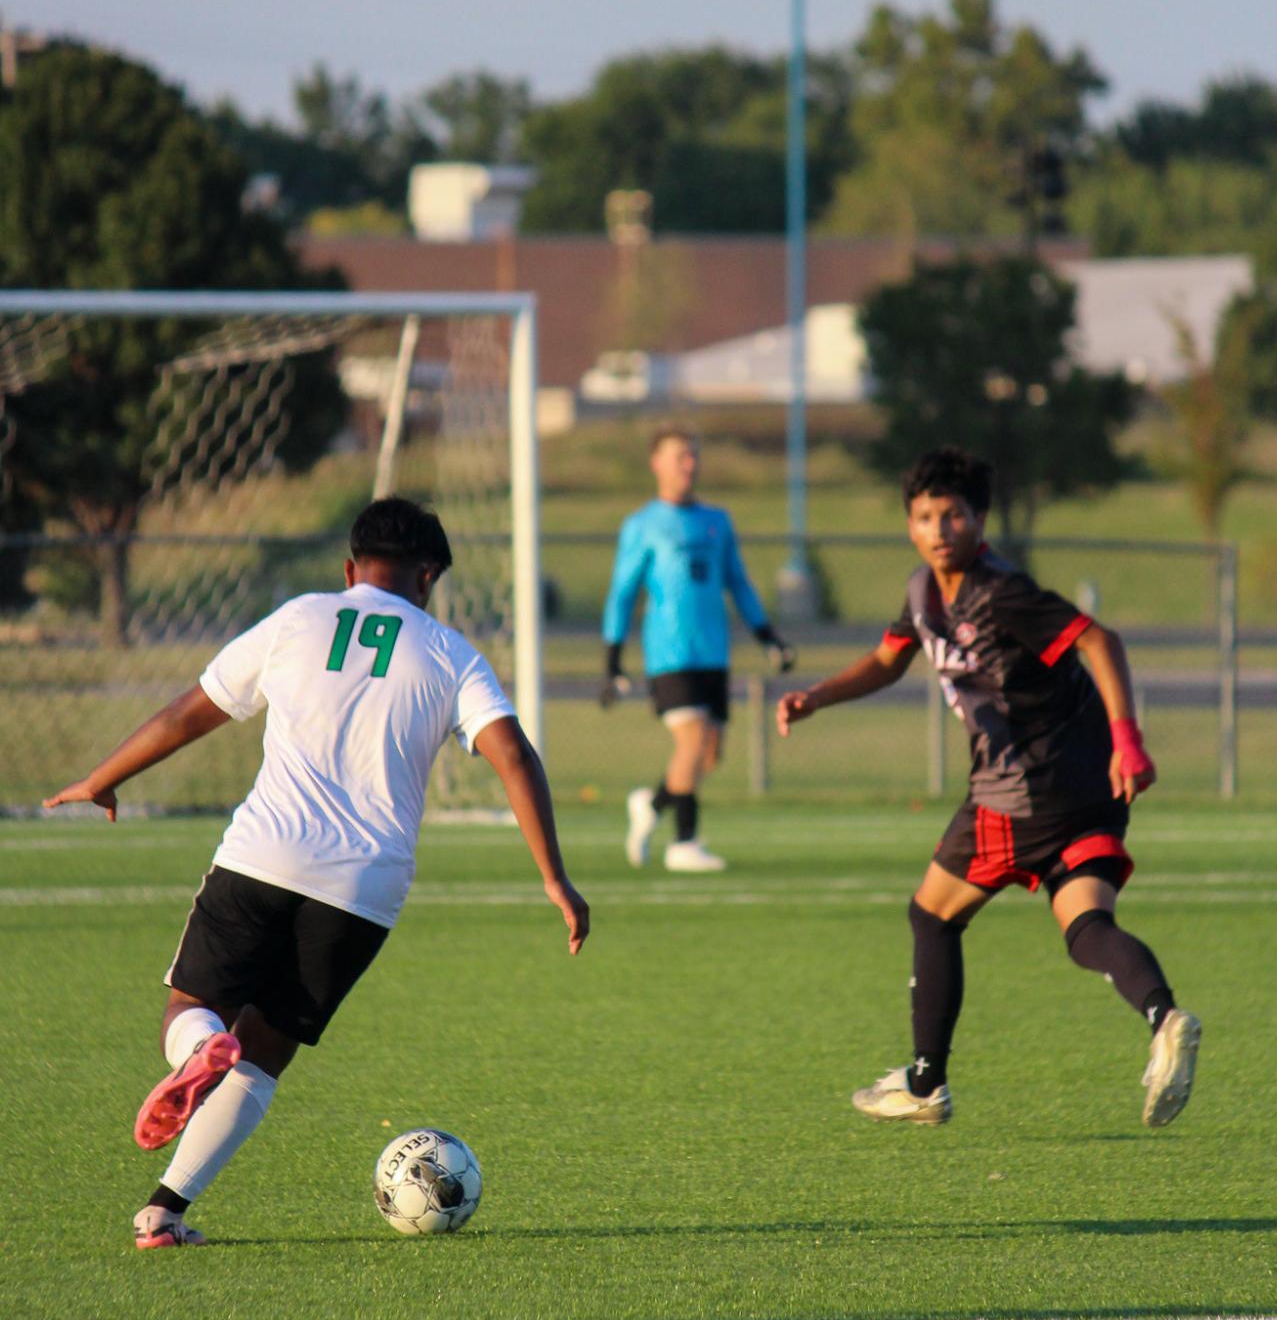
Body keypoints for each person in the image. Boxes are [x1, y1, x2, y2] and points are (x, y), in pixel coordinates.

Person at [44, 497, 589, 1248]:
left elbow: (187, 712)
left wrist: (105, 777)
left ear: (349, 568)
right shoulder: (450, 652)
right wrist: (554, 878)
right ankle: (163, 1212)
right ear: (429, 576)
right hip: (363, 889)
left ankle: (198, 1048)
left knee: (191, 1005)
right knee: (264, 1053)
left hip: (263, 852)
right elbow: (514, 754)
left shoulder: (299, 617)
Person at [776, 445, 1200, 1129]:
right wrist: (816, 697)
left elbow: (1100, 640)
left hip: (1023, 788)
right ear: (909, 523)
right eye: (924, 516)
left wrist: (1131, 738)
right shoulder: (923, 592)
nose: (939, 528)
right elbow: (888, 662)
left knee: (933, 914)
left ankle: (924, 1082)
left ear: (981, 520)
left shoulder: (1001, 592)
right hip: (1088, 786)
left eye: (953, 515)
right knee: (1087, 924)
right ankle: (1165, 1017)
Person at [600, 426, 794, 872]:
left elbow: (738, 584)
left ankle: (651, 803)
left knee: (710, 754)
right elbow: (622, 594)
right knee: (693, 741)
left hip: (713, 654)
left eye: (693, 456)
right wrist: (613, 661)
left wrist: (769, 638)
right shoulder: (643, 525)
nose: (688, 465)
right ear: (657, 463)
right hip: (670, 655)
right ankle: (684, 843)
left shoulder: (717, 521)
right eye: (678, 457)